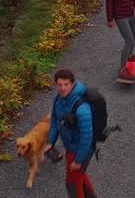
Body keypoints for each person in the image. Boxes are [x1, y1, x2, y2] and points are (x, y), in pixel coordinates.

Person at [48, 68, 98, 198]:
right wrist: (50, 142)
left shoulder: (82, 108)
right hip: (71, 147)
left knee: (72, 185)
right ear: (56, 84)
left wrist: (78, 160)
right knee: (79, 176)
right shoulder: (58, 100)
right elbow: (55, 121)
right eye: (59, 85)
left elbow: (87, 138)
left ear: (73, 83)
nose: (63, 88)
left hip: (81, 150)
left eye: (66, 84)